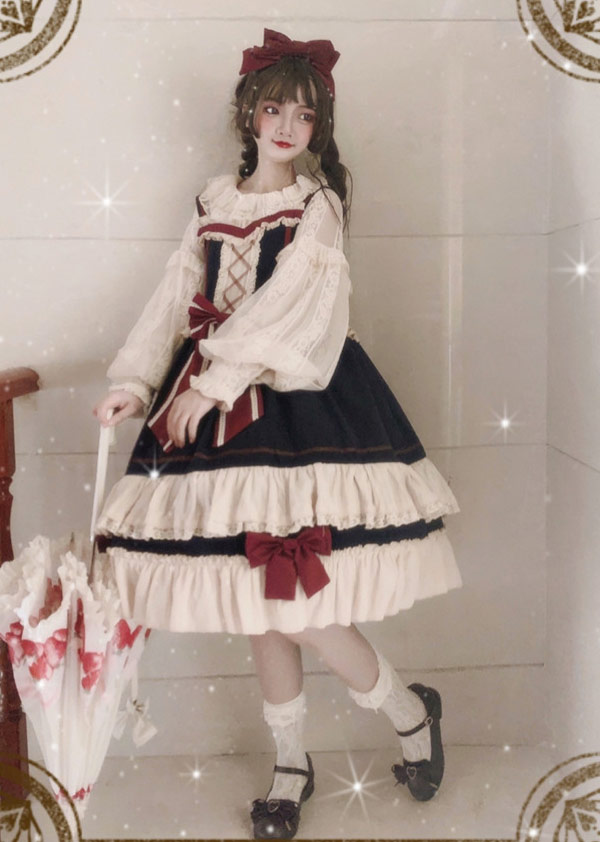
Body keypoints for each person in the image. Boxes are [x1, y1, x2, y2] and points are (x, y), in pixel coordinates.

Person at [92, 28, 463, 840]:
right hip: (210, 404)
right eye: (274, 110)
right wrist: (134, 382)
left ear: (318, 125)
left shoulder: (317, 205)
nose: (287, 126)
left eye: (304, 114)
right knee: (258, 599)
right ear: (248, 116)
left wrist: (214, 382)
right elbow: (175, 297)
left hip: (297, 401)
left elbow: (295, 307)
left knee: (291, 589)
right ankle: (292, 764)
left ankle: (409, 713)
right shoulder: (212, 202)